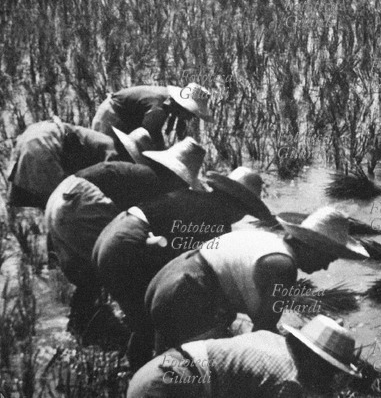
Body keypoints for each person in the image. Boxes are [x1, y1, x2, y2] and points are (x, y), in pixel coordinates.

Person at [92, 144, 277, 369]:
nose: (241, 216)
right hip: (127, 243)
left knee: (143, 318)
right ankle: (143, 375)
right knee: (149, 322)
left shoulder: (199, 200)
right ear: (235, 203)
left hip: (112, 233)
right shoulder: (216, 220)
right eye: (244, 209)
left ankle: (137, 371)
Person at [144, 206, 368, 360]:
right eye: (328, 258)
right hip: (186, 293)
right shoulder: (283, 267)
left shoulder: (267, 241)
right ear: (313, 247)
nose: (326, 267)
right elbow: (262, 333)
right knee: (199, 373)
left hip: (166, 280)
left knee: (162, 364)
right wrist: (308, 348)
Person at [44, 127, 188, 341]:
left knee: (90, 268)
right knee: (115, 261)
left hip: (59, 198)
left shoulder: (138, 173)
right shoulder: (155, 184)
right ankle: (138, 330)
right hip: (82, 202)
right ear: (175, 176)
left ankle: (80, 326)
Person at [127, 315, 360, 398]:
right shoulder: (289, 380)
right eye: (328, 370)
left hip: (158, 370)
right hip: (166, 387)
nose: (329, 378)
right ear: (311, 358)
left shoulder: (274, 341)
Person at [6, 120, 119, 209]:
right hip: (42, 148)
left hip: (33, 141)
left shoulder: (91, 138)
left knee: (57, 208)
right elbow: (110, 172)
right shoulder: (109, 146)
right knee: (69, 204)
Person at [91, 83, 212, 150]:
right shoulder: (159, 107)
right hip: (111, 115)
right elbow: (150, 133)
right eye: (191, 113)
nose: (190, 118)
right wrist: (162, 153)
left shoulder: (169, 101)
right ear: (182, 106)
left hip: (126, 115)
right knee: (106, 150)